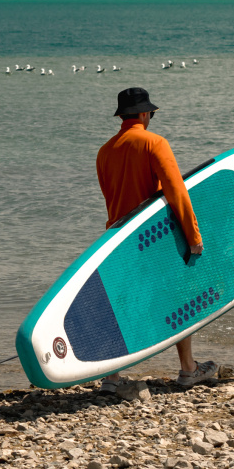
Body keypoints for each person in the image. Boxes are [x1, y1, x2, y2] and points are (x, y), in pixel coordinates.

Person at [95, 87, 218, 388]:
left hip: (115, 240)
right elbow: (177, 191)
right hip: (150, 240)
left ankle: (111, 376)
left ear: (122, 115)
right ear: (144, 113)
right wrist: (193, 237)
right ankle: (188, 369)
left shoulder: (105, 151)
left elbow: (111, 197)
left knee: (123, 304)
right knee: (179, 296)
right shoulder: (154, 143)